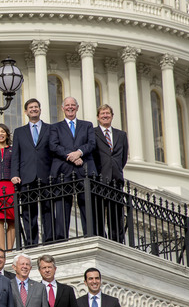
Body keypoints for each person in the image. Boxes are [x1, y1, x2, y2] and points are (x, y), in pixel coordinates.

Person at [49, 97, 97, 240]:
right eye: (67, 105)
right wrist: (71, 156)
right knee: (63, 203)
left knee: (86, 201)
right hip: (64, 169)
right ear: (63, 108)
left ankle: (90, 234)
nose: (70, 108)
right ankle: (61, 237)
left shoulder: (87, 125)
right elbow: (53, 145)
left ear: (77, 107)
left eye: (73, 105)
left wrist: (79, 153)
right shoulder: (55, 127)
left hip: (84, 168)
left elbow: (91, 143)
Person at [11, 98, 53, 246]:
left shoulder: (50, 129)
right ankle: (31, 242)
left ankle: (49, 240)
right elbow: (15, 155)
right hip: (27, 177)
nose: (34, 109)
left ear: (40, 110)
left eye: (36, 107)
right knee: (29, 212)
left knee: (47, 209)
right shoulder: (19, 132)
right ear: (26, 111)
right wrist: (14, 174)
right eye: (31, 107)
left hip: (46, 175)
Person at [92, 104, 128, 242]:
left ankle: (117, 240)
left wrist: (115, 169)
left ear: (112, 116)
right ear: (98, 117)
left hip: (116, 179)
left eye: (107, 113)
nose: (105, 116)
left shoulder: (121, 135)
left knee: (116, 214)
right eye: (102, 114)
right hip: (100, 178)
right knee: (99, 213)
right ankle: (101, 238)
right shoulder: (93, 133)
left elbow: (123, 157)